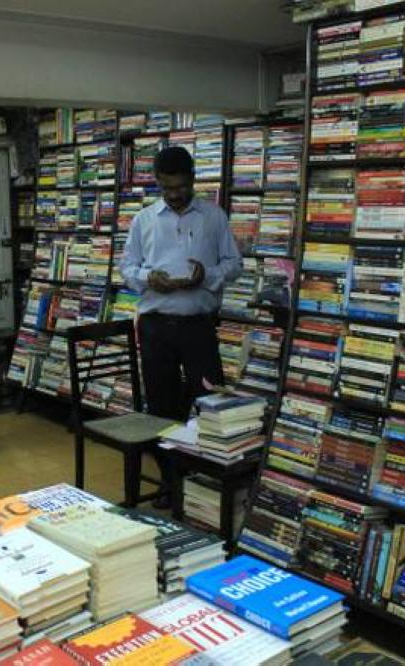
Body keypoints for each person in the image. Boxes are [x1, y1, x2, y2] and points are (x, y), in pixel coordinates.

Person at [120, 146, 243, 505]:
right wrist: (147, 277)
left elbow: (234, 264)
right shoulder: (144, 220)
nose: (175, 195)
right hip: (156, 326)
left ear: (192, 180)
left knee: (210, 402)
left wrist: (208, 275)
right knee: (161, 405)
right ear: (157, 182)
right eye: (167, 188)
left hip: (199, 327)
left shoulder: (213, 216)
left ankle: (207, 479)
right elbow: (127, 267)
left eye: (181, 187)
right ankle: (170, 480)